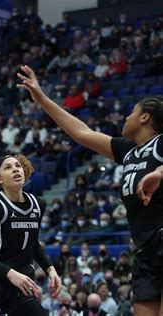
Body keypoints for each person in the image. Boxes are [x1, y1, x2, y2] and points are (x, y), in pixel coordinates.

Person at [17, 64, 163, 315]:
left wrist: (159, 173)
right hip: (145, 250)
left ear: (145, 117)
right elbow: (81, 132)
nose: (126, 117)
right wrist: (41, 98)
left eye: (131, 112)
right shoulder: (129, 151)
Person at [0, 155, 62, 316]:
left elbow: (33, 244)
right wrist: (11, 274)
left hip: (20, 286)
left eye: (18, 166)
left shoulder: (38, 205)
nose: (15, 169)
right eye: (8, 167)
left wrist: (50, 270)